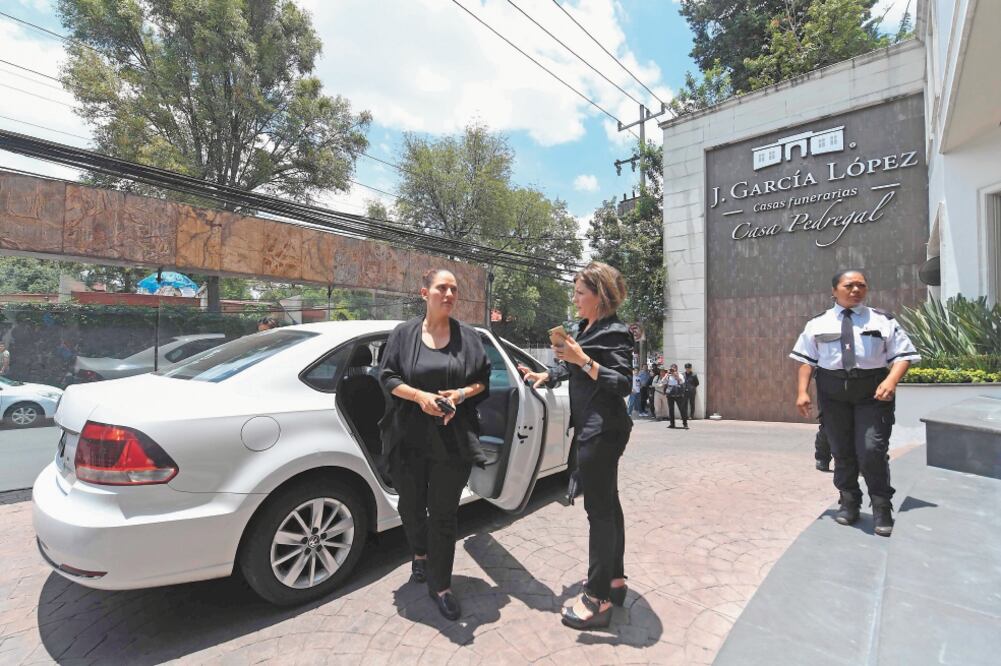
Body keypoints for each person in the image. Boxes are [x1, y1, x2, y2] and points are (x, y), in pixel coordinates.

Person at [519, 261, 633, 630]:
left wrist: (584, 360)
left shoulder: (615, 331)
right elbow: (574, 367)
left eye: (580, 293)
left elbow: (623, 382)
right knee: (609, 507)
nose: (575, 299)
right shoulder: (588, 328)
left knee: (599, 513)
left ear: (599, 296)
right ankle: (614, 581)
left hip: (602, 431)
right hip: (593, 427)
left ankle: (597, 600)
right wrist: (548, 373)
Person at [378, 269, 491, 620]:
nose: (449, 295)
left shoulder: (469, 338)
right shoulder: (403, 334)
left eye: (454, 290)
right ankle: (420, 555)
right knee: (411, 507)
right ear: (424, 292)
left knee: (443, 515)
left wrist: (458, 394)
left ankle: (441, 585)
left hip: (451, 442)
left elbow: (482, 381)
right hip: (408, 439)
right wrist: (420, 398)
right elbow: (387, 376)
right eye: (442, 288)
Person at [791, 269, 920, 537]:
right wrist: (802, 392)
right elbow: (807, 360)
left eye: (861, 285)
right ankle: (849, 501)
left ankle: (882, 506)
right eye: (849, 285)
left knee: (872, 449)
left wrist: (891, 381)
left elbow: (903, 355)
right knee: (841, 450)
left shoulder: (883, 320)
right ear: (834, 290)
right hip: (833, 394)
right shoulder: (818, 323)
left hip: (872, 393)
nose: (856, 290)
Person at [666, 364, 688, 429]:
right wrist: (666, 375)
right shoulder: (669, 375)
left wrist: (676, 376)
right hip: (670, 394)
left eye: (674, 368)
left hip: (678, 394)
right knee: (671, 409)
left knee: (682, 409)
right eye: (671, 369)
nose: (672, 370)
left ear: (676, 369)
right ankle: (672, 424)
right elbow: (664, 382)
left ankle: (685, 423)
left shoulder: (680, 374)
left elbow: (682, 382)